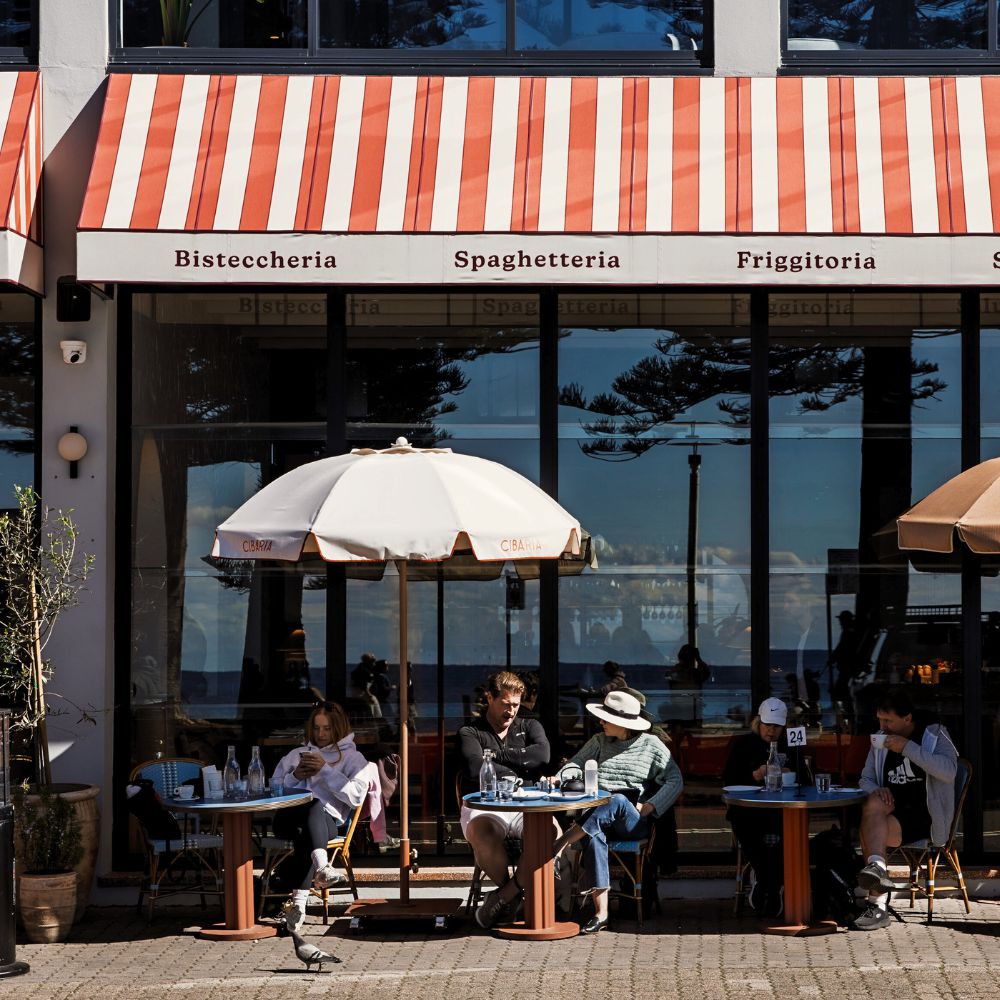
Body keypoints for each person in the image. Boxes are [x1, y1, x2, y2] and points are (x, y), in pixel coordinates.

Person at [475, 690, 683, 934]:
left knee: (615, 799)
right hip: (598, 819)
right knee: (594, 837)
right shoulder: (599, 741)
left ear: (623, 723)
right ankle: (601, 913)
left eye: (606, 718)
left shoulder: (651, 745)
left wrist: (650, 806)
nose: (601, 722)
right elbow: (575, 764)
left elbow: (675, 779)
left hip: (631, 821)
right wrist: (560, 777)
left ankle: (559, 844)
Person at [853, 686, 959, 931]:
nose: (882, 726)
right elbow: (865, 779)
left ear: (907, 718)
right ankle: (878, 868)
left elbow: (949, 771)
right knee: (872, 803)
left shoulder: (934, 734)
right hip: (892, 811)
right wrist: (876, 789)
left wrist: (907, 748)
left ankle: (877, 904)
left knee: (867, 829)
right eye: (879, 719)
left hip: (926, 815)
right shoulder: (880, 739)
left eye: (888, 720)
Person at [270, 701, 379, 933]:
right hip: (287, 819)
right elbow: (274, 790)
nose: (321, 734)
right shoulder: (296, 755)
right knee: (310, 808)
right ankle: (322, 869)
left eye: (327, 728)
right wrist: (295, 776)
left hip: (326, 822)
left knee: (312, 815)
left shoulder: (353, 758)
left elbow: (356, 798)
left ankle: (298, 907)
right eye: (317, 728)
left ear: (337, 728)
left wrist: (325, 771)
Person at [457, 671, 552, 926]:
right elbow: (474, 767)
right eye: (506, 704)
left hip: (526, 803)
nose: (511, 711)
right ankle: (514, 897)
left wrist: (495, 757)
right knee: (481, 833)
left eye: (516, 705)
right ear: (490, 697)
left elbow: (542, 756)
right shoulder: (470, 732)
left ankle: (503, 898)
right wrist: (519, 765)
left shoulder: (530, 726)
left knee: (550, 834)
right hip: (486, 805)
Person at [722, 697, 790, 917]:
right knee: (751, 832)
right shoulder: (744, 744)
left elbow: (807, 777)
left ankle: (766, 882)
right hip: (748, 811)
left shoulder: (790, 744)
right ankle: (771, 883)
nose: (772, 730)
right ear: (758, 723)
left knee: (786, 833)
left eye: (777, 726)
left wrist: (790, 774)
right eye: (768, 725)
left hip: (782, 809)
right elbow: (728, 780)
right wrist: (755, 775)